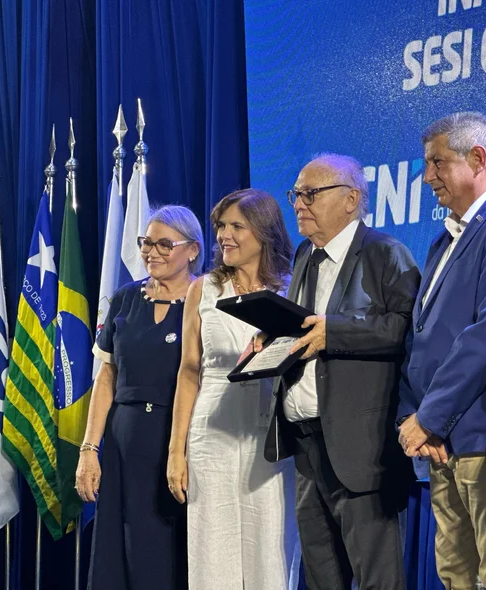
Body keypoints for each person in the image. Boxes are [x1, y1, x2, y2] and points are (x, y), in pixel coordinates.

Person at [258, 153, 420, 590]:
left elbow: (407, 328)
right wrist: (273, 342)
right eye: (296, 194)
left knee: (376, 578)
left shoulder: (385, 253)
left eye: (311, 193)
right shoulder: (305, 255)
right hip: (308, 441)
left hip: (361, 447)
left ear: (351, 199)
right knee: (321, 576)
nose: (299, 203)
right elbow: (306, 331)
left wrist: (338, 334)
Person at [397, 111, 486, 590]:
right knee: (455, 573)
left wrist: (430, 417)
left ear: (477, 159)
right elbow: (418, 338)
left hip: (482, 436)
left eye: (437, 162)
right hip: (440, 443)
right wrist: (415, 419)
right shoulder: (443, 239)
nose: (427, 176)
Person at [165, 189, 300, 590]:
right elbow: (189, 372)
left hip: (272, 441)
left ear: (264, 232)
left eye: (236, 226)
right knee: (212, 556)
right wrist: (177, 453)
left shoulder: (291, 289)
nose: (224, 235)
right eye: (221, 226)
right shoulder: (202, 290)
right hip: (212, 437)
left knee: (272, 556)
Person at [75, 205, 203, 590]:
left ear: (193, 250)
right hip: (122, 444)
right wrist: (88, 449)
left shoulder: (206, 302)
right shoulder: (125, 299)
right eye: (147, 242)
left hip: (178, 443)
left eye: (165, 244)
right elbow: (106, 377)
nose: (152, 252)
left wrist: (178, 449)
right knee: (119, 547)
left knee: (167, 551)